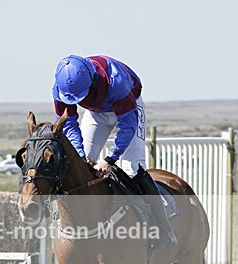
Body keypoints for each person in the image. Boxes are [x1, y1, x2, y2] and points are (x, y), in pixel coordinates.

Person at [52, 54, 176, 245]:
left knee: (132, 168)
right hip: (95, 114)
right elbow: (69, 122)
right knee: (80, 165)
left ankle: (163, 227)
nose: (79, 99)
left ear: (93, 80)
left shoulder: (115, 81)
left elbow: (127, 124)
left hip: (129, 109)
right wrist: (81, 152)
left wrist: (110, 159)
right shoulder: (62, 89)